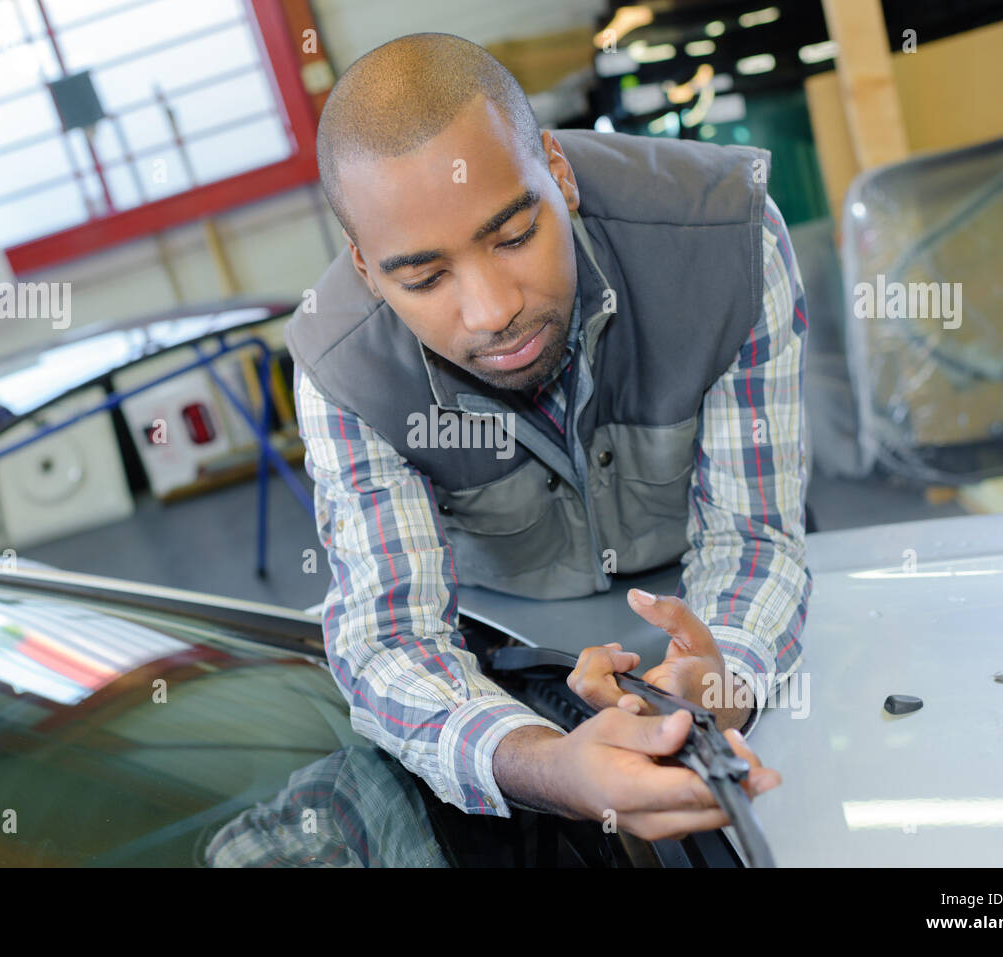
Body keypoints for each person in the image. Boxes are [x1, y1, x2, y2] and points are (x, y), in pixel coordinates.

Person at [284, 32, 812, 842]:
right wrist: (545, 764)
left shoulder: (725, 238)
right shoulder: (339, 364)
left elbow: (755, 534)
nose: (492, 309)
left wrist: (725, 680)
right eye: (424, 278)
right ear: (365, 270)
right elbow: (389, 639)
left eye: (514, 235)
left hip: (730, 621)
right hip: (507, 662)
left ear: (557, 173)